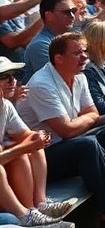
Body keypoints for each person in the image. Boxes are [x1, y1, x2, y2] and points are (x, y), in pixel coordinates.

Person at [15, 33, 105, 228]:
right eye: (77, 53)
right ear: (59, 58)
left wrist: (83, 120)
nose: (84, 57)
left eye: (85, 52)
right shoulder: (42, 84)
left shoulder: (79, 77)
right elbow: (67, 130)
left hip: (68, 145)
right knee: (87, 145)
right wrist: (85, 120)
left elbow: (93, 114)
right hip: (41, 159)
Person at [0, 57, 76, 228]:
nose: (13, 81)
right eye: (5, 77)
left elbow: (26, 135)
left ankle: (37, 207)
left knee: (33, 142)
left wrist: (37, 139)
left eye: (14, 76)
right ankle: (25, 216)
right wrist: (23, 147)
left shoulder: (5, 105)